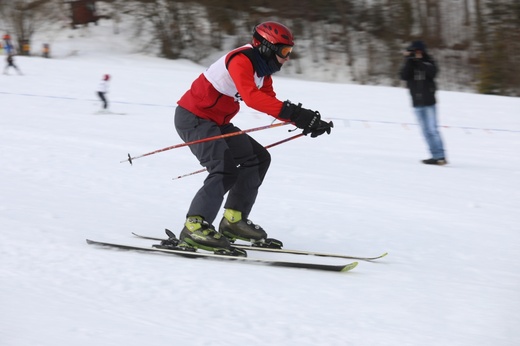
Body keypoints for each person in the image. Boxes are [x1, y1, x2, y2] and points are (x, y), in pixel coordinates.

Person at [173, 21, 332, 255]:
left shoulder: (262, 71)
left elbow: (268, 99)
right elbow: (252, 98)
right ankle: (194, 225)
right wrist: (297, 115)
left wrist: (304, 120)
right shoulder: (241, 60)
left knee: (257, 158)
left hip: (217, 122)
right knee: (224, 169)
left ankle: (233, 220)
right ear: (266, 47)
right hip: (194, 118)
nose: (287, 58)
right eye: (284, 51)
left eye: (290, 52)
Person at [400, 40, 447, 165]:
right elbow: (403, 76)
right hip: (417, 103)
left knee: (433, 130)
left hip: (429, 103)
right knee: (425, 131)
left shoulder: (429, 61)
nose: (416, 53)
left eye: (418, 51)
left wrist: (420, 61)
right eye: (414, 51)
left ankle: (441, 156)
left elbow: (432, 73)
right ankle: (434, 156)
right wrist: (409, 60)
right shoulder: (410, 63)